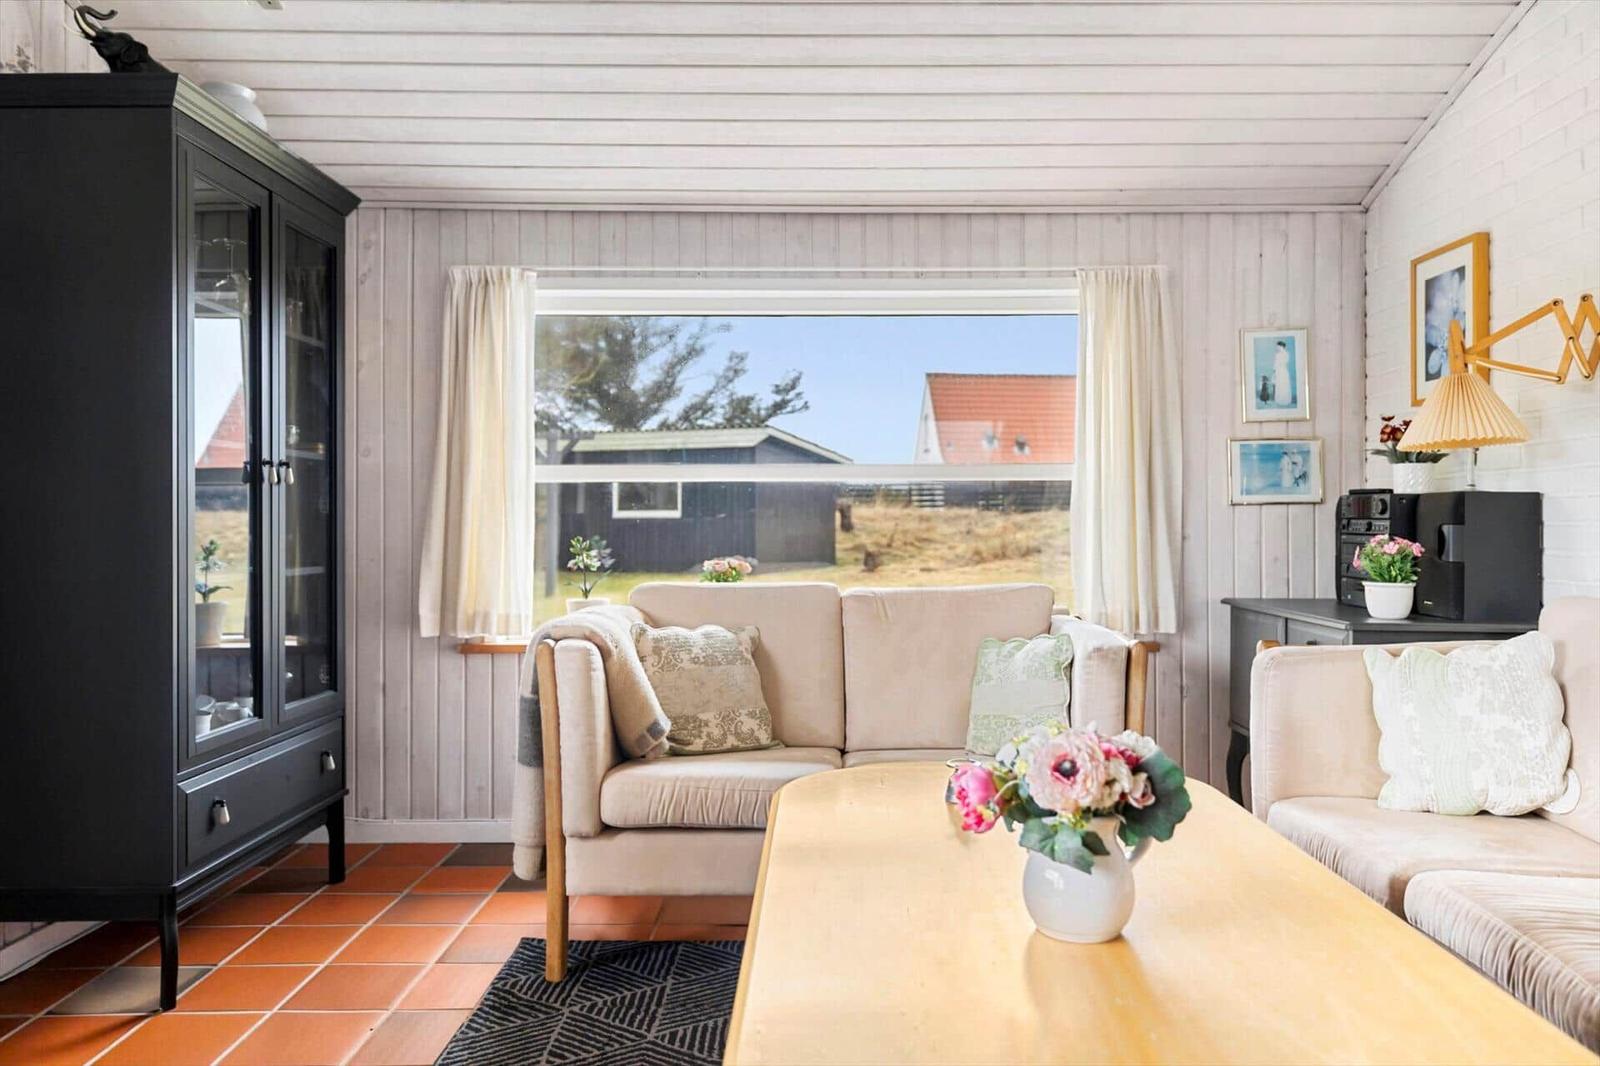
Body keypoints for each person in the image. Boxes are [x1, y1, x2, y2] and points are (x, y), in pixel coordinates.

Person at [1272, 340, 1293, 407]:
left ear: (1282, 347)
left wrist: (1276, 367)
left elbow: (1280, 363)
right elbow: (1275, 364)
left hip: (1283, 371)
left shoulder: (1285, 354)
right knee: (1279, 385)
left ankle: (1285, 400)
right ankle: (1279, 400)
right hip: (1279, 371)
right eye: (1277, 347)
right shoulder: (1278, 354)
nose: (1277, 348)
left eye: (1278, 347)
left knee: (1284, 384)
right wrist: (1275, 371)